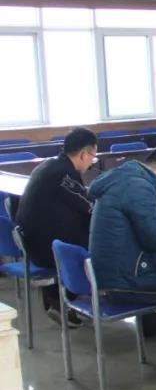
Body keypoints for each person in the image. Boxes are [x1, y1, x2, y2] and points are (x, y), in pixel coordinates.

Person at [88, 147, 156, 306]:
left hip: (110, 275)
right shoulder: (140, 187)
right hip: (126, 284)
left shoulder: (125, 178)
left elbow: (141, 209)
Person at [15, 128, 98, 326]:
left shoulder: (48, 165)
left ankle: (62, 295)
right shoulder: (63, 175)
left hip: (33, 243)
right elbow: (91, 207)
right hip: (46, 249)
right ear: (83, 154)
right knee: (104, 238)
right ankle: (63, 297)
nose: (92, 162)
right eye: (93, 157)